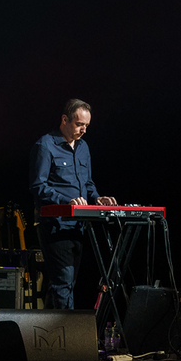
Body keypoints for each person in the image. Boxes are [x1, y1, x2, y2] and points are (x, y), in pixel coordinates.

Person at [29, 99, 116, 309]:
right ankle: (65, 336)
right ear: (64, 119)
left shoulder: (84, 147)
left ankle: (49, 334)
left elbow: (87, 183)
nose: (83, 130)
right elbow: (38, 186)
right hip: (55, 225)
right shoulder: (45, 145)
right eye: (79, 124)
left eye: (86, 125)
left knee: (67, 283)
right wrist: (66, 202)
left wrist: (97, 198)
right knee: (63, 282)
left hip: (78, 225)